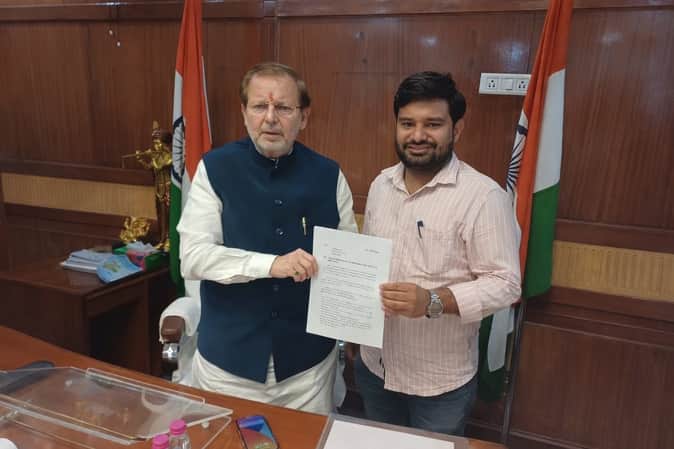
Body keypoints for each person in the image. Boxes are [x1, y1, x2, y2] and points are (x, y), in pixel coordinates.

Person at [177, 62, 358, 414]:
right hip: (228, 367)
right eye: (260, 106)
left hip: (307, 370)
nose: (270, 118)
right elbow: (194, 257)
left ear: (304, 117)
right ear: (244, 113)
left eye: (284, 108)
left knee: (306, 440)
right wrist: (271, 265)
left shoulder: (329, 175)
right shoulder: (214, 169)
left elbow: (348, 261)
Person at [352, 71, 521, 435]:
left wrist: (431, 300)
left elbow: (506, 284)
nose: (417, 135)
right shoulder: (381, 185)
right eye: (407, 123)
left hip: (439, 384)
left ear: (456, 129)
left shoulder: (483, 196)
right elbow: (369, 261)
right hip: (375, 367)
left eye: (432, 124)